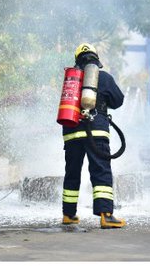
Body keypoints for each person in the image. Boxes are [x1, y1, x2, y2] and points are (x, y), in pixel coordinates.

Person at [60, 44, 126, 228]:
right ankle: (106, 216)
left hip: (71, 132)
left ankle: (68, 214)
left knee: (72, 172)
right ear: (96, 58)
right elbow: (118, 100)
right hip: (96, 132)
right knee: (100, 171)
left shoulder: (71, 80)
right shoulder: (103, 77)